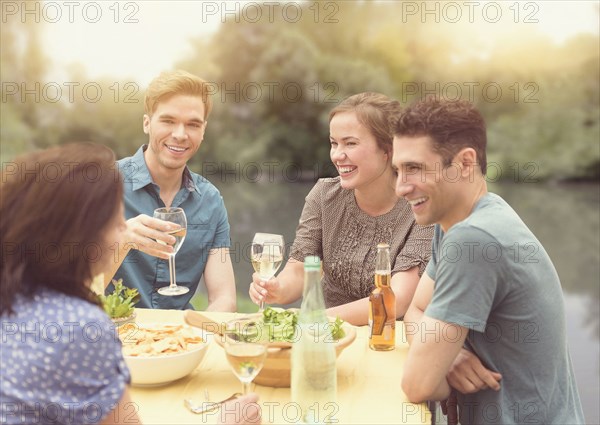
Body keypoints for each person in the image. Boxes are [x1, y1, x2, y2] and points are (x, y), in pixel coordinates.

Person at [0, 143, 260, 425]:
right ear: (79, 236)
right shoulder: (83, 327)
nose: (124, 231)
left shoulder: (15, 301)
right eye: (116, 223)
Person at [394, 98, 584, 424]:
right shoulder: (460, 221)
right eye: (397, 170)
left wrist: (436, 357)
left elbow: (417, 385)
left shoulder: (475, 239)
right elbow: (415, 309)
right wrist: (448, 356)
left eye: (415, 168)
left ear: (466, 163)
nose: (400, 187)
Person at [249, 92, 433, 325]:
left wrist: (313, 318)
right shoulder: (325, 196)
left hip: (388, 341)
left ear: (388, 150)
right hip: (327, 340)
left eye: (350, 143)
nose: (337, 155)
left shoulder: (420, 207)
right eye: (334, 143)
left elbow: (396, 300)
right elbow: (300, 269)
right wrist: (278, 288)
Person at [105, 70, 236, 311]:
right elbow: (73, 290)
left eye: (192, 124)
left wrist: (196, 335)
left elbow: (224, 298)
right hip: (113, 337)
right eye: (168, 121)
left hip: (182, 339)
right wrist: (120, 242)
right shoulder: (101, 186)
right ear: (147, 123)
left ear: (203, 130)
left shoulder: (211, 201)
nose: (180, 134)